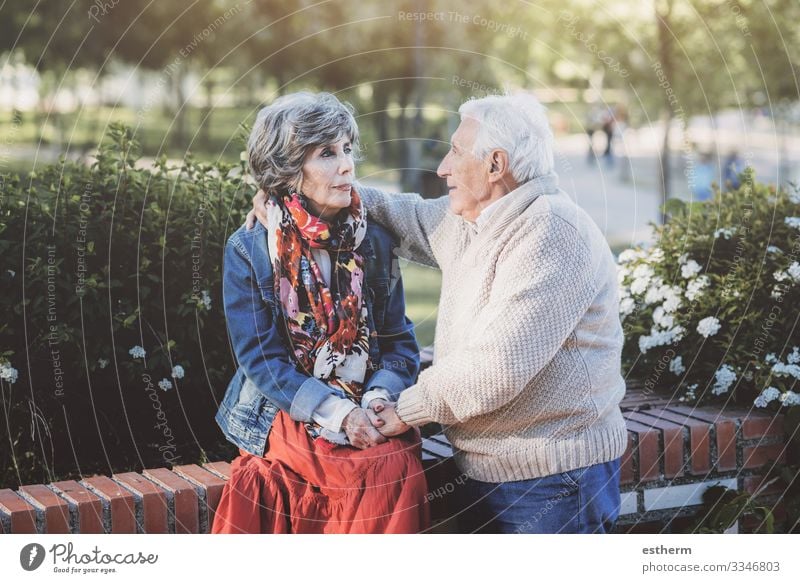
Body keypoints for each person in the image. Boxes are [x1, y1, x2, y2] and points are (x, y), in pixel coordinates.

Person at [250, 92, 628, 534]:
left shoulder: (551, 232)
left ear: (495, 165)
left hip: (553, 477)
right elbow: (401, 212)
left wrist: (406, 409)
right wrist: (297, 193)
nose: (442, 167)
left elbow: (497, 369)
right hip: (496, 468)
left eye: (455, 151)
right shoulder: (477, 220)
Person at [213, 92, 429, 534]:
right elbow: (262, 362)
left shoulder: (374, 240)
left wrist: (376, 398)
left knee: (396, 457)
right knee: (376, 469)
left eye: (347, 149)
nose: (347, 164)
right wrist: (338, 412)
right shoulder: (250, 249)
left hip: (365, 397)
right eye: (327, 153)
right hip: (287, 404)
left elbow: (397, 343)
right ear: (290, 170)